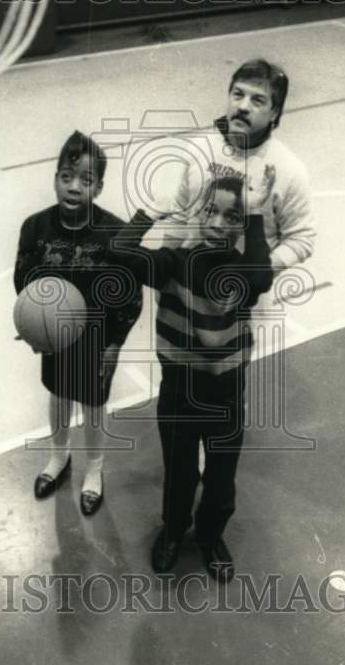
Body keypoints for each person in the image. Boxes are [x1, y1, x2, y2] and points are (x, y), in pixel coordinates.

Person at [110, 167, 276, 580]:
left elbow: (262, 276)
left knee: (221, 481)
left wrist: (255, 214)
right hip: (180, 395)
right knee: (179, 475)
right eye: (211, 212)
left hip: (226, 397)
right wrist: (151, 212)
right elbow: (119, 252)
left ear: (240, 227)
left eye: (231, 217)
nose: (218, 224)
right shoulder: (172, 262)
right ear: (198, 214)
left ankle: (209, 536)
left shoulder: (240, 271)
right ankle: (173, 531)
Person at [14, 131, 142, 515]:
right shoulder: (35, 228)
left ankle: (95, 471)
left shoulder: (116, 234)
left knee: (93, 403)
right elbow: (23, 279)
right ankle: (58, 457)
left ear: (99, 187)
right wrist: (32, 324)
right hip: (55, 335)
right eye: (66, 177)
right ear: (55, 177)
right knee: (58, 392)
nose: (73, 187)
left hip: (99, 339)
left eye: (85, 180)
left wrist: (115, 343)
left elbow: (132, 295)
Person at [160, 58, 315, 271]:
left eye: (258, 100)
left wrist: (252, 277)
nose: (243, 106)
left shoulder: (289, 170)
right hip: (184, 286)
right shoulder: (200, 148)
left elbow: (301, 239)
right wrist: (167, 275)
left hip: (241, 298)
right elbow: (179, 216)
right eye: (238, 94)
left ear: (274, 113)